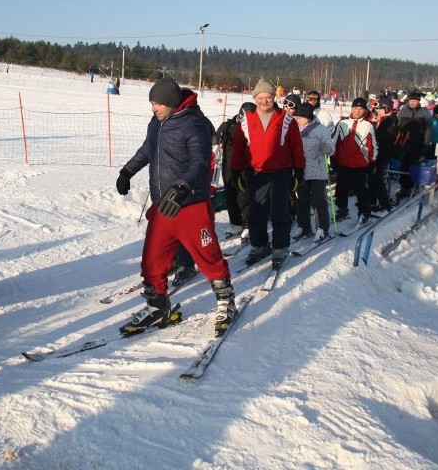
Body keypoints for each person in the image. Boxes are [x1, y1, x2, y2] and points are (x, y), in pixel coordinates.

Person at [115, 78, 236, 335]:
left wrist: (183, 187)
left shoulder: (195, 124)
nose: (153, 108)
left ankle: (226, 301)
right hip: (162, 205)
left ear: (170, 102)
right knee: (152, 261)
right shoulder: (156, 123)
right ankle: (158, 308)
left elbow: (201, 162)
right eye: (152, 103)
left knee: (208, 257)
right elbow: (148, 150)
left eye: (157, 103)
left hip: (190, 205)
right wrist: (127, 171)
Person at [230, 78, 306, 267]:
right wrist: (236, 171)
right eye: (261, 97)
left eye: (269, 97)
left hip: (281, 173)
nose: (265, 101)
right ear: (255, 99)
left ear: (274, 97)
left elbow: (296, 147)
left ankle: (280, 247)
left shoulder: (287, 120)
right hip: (256, 173)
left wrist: (299, 170)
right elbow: (238, 148)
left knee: (280, 211)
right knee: (256, 212)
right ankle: (259, 245)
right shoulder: (245, 120)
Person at [292, 101, 335, 241]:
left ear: (308, 117)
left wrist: (324, 146)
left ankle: (322, 228)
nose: (297, 120)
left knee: (318, 200)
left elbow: (331, 148)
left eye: (300, 117)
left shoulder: (320, 129)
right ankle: (303, 226)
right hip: (301, 171)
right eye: (296, 117)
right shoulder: (295, 129)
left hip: (317, 170)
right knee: (302, 200)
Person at [331, 97, 377, 225]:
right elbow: (335, 142)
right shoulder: (342, 124)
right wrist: (333, 158)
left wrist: (372, 161)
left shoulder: (368, 126)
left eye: (361, 109)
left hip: (360, 164)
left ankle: (364, 213)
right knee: (341, 189)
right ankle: (342, 209)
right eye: (355, 108)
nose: (357, 111)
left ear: (365, 111)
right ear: (352, 108)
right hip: (343, 163)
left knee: (360, 189)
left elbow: (373, 145)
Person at [214, 102, 255, 239]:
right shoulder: (229, 125)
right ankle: (235, 223)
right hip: (228, 165)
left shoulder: (254, 127)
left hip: (246, 166)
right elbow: (216, 138)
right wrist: (215, 147)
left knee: (243, 196)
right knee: (230, 195)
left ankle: (248, 224)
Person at [393, 90, 432, 204]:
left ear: (418, 101)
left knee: (414, 165)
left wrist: (426, 144)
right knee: (403, 165)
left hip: (417, 143)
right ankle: (404, 187)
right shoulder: (403, 111)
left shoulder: (424, 112)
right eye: (411, 101)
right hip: (404, 143)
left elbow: (429, 129)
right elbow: (399, 126)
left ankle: (412, 185)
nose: (412, 103)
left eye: (414, 101)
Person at [368, 97, 398, 212]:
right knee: (373, 177)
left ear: (387, 109)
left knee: (377, 177)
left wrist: (374, 127)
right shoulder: (384, 119)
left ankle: (384, 204)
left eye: (380, 109)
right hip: (378, 151)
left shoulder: (391, 120)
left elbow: (386, 137)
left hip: (383, 152)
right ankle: (371, 201)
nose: (378, 111)